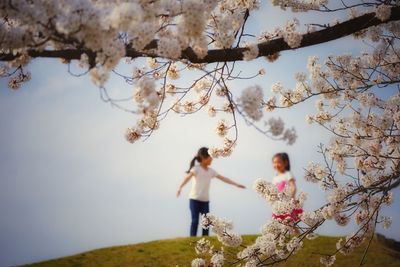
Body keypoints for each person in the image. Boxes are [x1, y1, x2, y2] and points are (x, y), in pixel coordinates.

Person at [176, 147, 246, 236]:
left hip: (205, 201)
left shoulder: (211, 171)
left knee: (207, 222)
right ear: (203, 157)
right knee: (195, 221)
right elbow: (187, 178)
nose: (212, 158)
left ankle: (205, 239)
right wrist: (180, 188)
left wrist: (236, 184)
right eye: (210, 156)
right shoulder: (196, 169)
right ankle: (192, 240)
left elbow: (224, 178)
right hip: (194, 200)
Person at [271, 152, 303, 224]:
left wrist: (291, 198)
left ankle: (296, 235)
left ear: (285, 163)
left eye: (278, 162)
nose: (276, 165)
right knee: (277, 223)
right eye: (274, 163)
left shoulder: (287, 174)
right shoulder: (275, 178)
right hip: (278, 205)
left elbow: (293, 187)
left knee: (290, 223)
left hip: (287, 203)